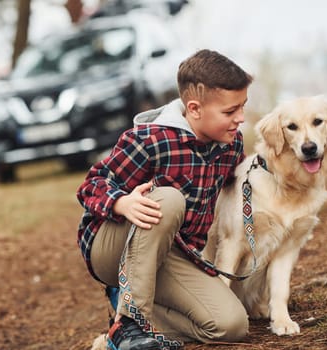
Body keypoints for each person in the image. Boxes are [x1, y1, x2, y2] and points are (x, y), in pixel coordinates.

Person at [76, 49, 253, 350]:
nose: (241, 118)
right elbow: (90, 185)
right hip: (111, 247)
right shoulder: (150, 140)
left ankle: (119, 329)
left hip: (172, 253)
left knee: (231, 325)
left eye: (242, 107)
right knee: (168, 200)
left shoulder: (230, 144)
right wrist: (122, 202)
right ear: (194, 109)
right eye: (230, 111)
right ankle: (132, 323)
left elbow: (244, 178)